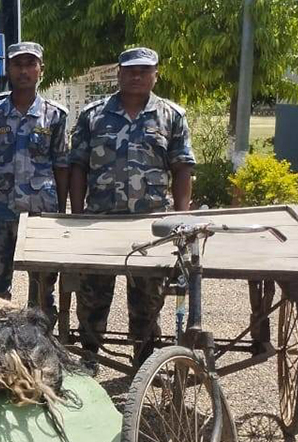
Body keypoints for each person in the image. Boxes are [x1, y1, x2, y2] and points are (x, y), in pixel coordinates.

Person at [69, 47, 196, 370]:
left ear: (156, 74)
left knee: (147, 300)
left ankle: (143, 363)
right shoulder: (93, 115)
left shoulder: (171, 116)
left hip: (151, 225)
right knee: (92, 296)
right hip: (99, 222)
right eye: (130, 70)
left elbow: (182, 168)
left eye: (144, 70)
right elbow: (78, 167)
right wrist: (77, 212)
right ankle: (90, 358)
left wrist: (180, 216)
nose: (136, 76)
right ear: (120, 73)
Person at [0, 42, 69, 317]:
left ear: (41, 69)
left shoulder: (55, 116)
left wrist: (62, 213)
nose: (24, 70)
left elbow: (62, 166)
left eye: (30, 64)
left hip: (41, 214)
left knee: (42, 288)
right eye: (18, 64)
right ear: (8, 69)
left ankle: (41, 347)